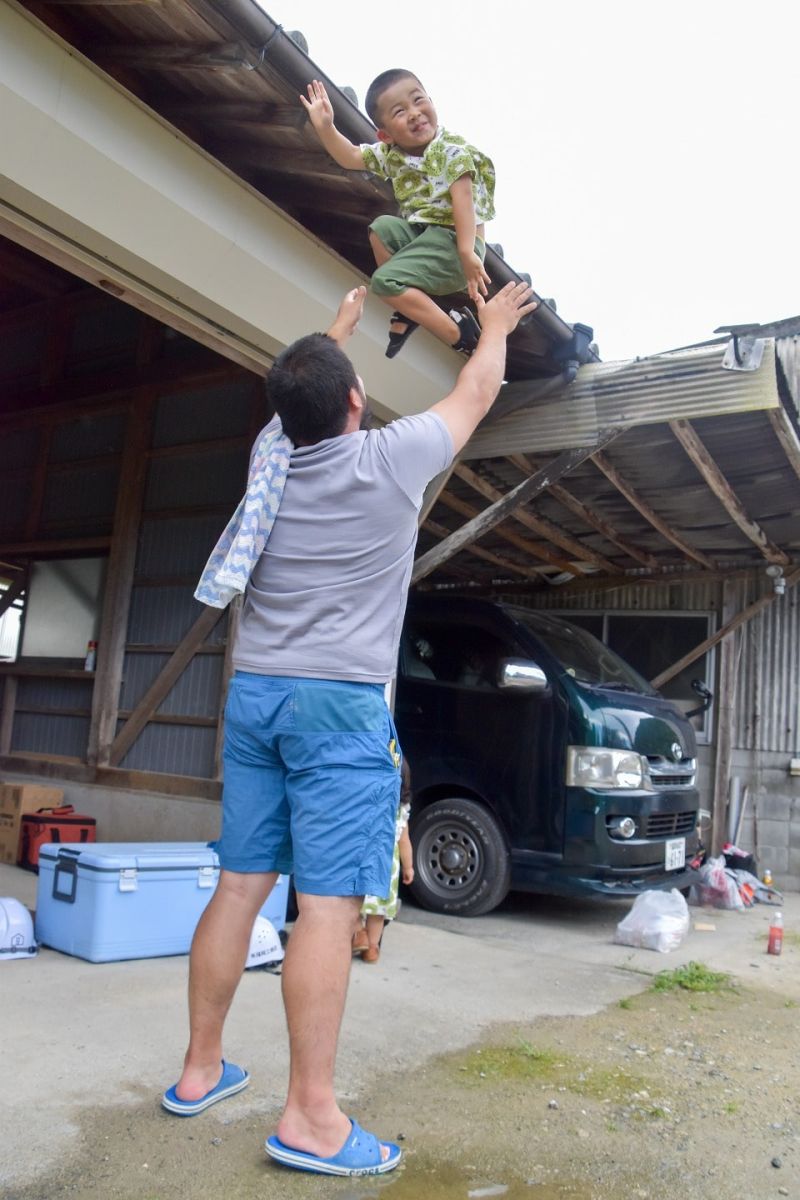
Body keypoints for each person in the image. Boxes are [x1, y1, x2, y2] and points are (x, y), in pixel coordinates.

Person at [161, 278, 536, 1178]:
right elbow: (477, 391)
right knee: (327, 909)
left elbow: (307, 397)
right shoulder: (390, 459)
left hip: (256, 698)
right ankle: (311, 1118)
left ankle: (199, 1069)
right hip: (337, 709)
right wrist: (493, 327)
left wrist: (330, 336)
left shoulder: (269, 460)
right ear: (357, 402)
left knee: (240, 885)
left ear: (282, 410)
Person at [301, 71, 496, 358]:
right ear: (385, 134)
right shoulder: (392, 154)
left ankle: (460, 334)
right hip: (426, 236)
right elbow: (351, 156)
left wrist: (468, 254)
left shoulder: (450, 150)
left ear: (430, 100)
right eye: (400, 112)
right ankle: (408, 309)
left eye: (418, 101)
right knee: (381, 228)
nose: (415, 113)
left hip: (457, 243)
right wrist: (326, 127)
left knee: (383, 281)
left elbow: (463, 201)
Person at [352, 758, 414, 963]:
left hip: (366, 860)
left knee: (355, 904)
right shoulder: (401, 811)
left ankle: (358, 932)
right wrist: (409, 867)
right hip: (388, 868)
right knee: (378, 912)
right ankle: (371, 948)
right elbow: (404, 842)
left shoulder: (367, 803)